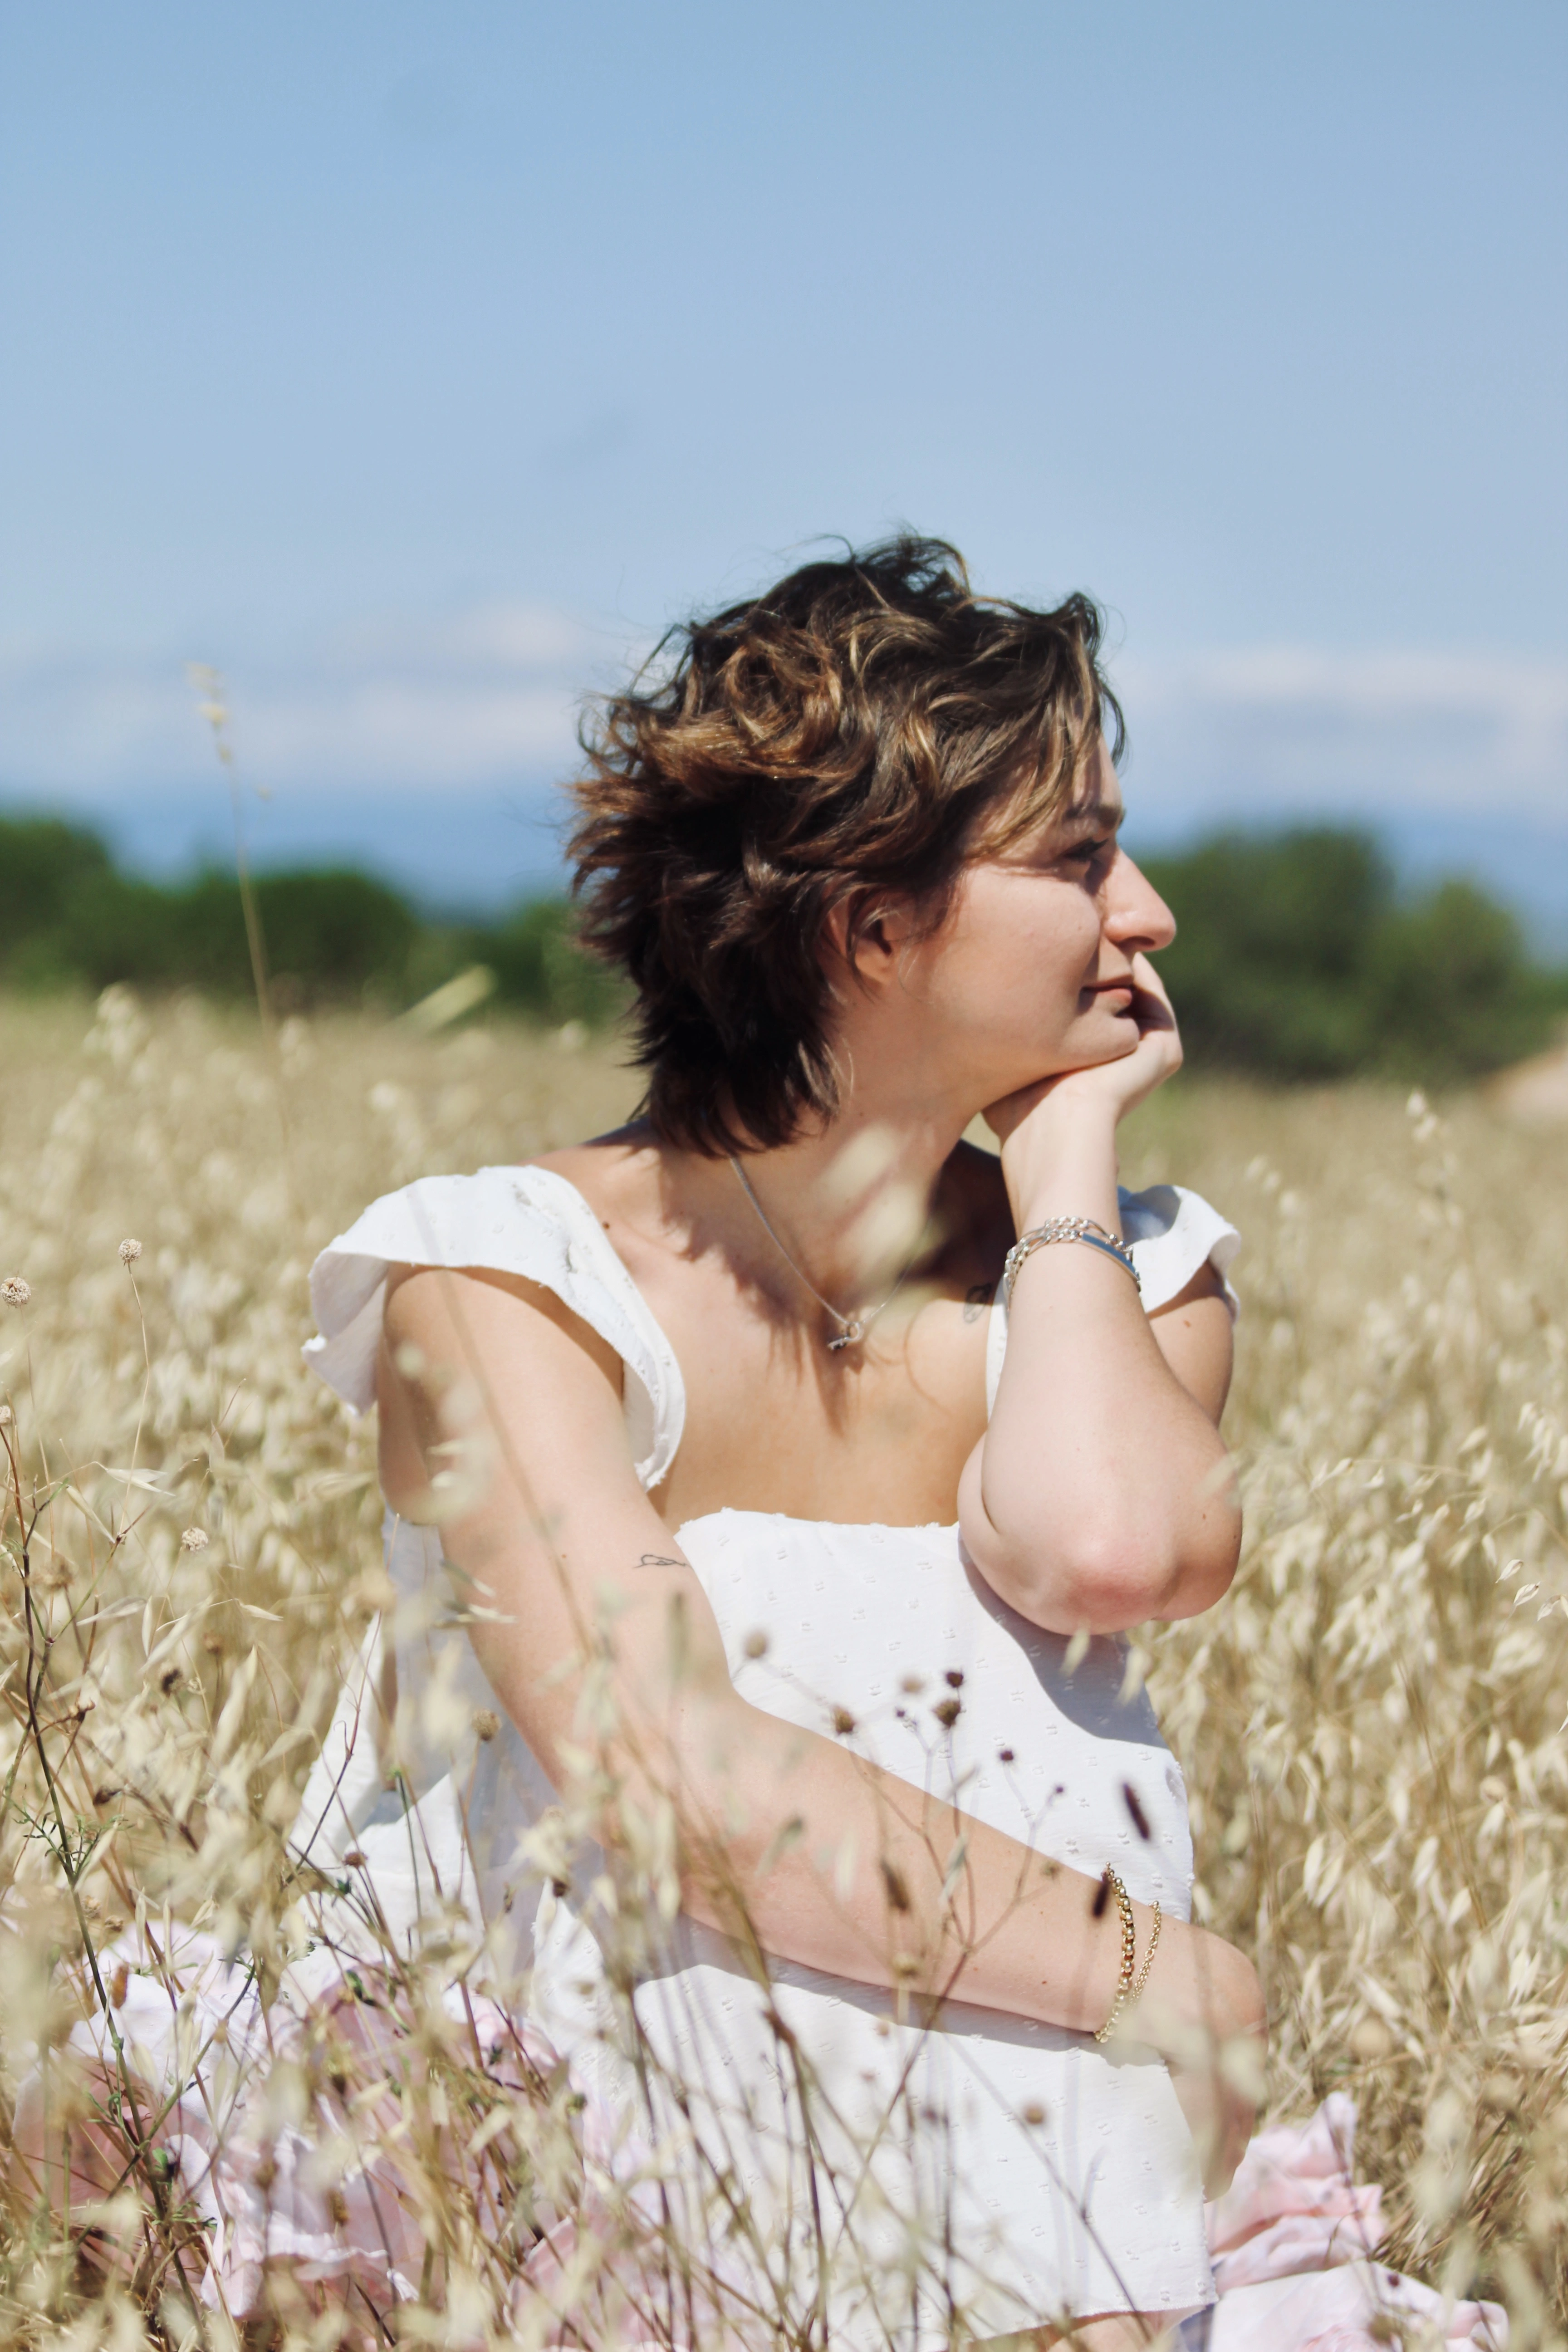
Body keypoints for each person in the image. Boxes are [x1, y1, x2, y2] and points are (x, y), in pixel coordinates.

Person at [299, 537, 1268, 2347]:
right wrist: (1172, 1972)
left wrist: (1062, 1178)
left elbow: (1107, 1553)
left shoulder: (1133, 1280)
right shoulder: (498, 1284)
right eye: (1079, 861)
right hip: (590, 2214)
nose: (1149, 915)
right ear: (872, 922)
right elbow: (683, 1800)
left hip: (1055, 2223)